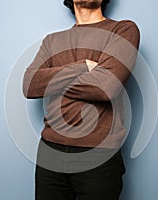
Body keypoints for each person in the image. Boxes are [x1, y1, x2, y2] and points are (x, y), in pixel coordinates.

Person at [22, 0, 140, 199]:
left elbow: (105, 88)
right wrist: (84, 66)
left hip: (99, 154)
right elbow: (29, 85)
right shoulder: (52, 41)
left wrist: (52, 82)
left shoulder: (122, 30)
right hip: (50, 152)